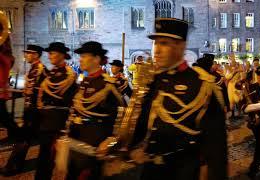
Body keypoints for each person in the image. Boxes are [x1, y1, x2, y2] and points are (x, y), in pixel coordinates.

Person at [127, 18, 227, 180]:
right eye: (156, 43)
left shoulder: (202, 84)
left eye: (164, 43)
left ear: (181, 46)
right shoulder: (154, 80)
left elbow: (216, 146)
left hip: (184, 171)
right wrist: (131, 147)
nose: (156, 50)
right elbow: (142, 121)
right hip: (151, 171)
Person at [64, 41, 124, 179]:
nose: (80, 59)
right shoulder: (85, 80)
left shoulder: (108, 84)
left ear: (96, 59)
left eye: (84, 56)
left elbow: (122, 115)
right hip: (76, 140)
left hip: (95, 145)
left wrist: (111, 141)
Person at [1, 45, 47, 176]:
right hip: (30, 110)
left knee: (24, 139)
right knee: (24, 139)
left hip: (34, 111)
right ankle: (14, 166)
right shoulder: (33, 68)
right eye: (26, 53)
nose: (26, 55)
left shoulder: (40, 70)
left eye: (29, 53)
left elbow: (40, 93)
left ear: (36, 55)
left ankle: (13, 167)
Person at [35, 42, 77, 180]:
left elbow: (68, 100)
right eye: (49, 53)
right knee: (44, 157)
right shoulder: (51, 72)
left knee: (54, 159)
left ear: (62, 55)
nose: (49, 55)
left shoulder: (69, 75)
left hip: (58, 123)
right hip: (46, 121)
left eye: (52, 53)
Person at [237, 66, 260, 178]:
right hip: (257, 122)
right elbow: (242, 106)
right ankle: (254, 169)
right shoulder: (252, 88)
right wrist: (257, 107)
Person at [0, 37, 16, 140]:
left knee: (5, 118)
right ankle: (15, 134)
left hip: (1, 92)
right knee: (5, 117)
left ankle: (17, 135)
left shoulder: (5, 58)